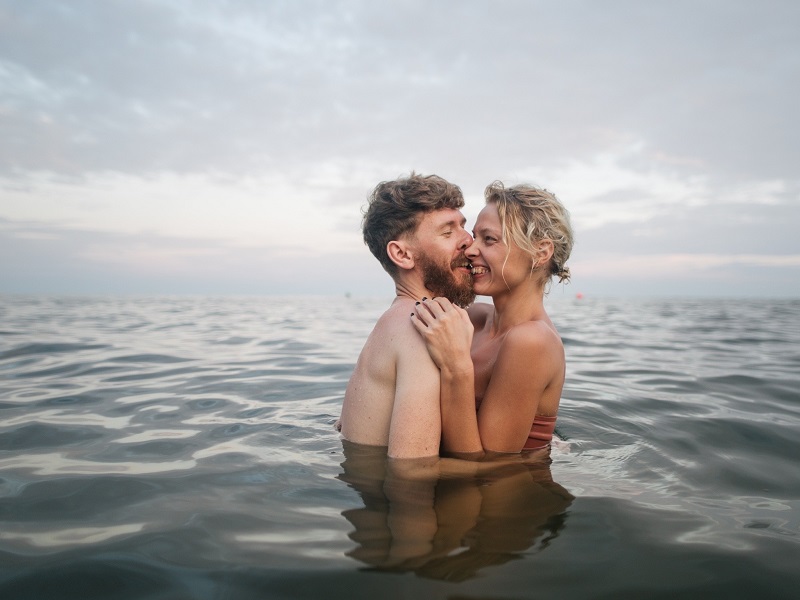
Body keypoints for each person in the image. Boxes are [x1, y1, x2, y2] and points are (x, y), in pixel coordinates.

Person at [412, 181, 573, 459]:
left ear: (540, 252)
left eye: (489, 239)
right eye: (474, 237)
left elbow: (487, 465)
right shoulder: (472, 319)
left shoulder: (532, 341)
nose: (471, 250)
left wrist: (456, 368)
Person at [338, 173, 475, 459]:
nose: (469, 242)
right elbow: (412, 477)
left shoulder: (398, 319)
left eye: (464, 227)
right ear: (402, 254)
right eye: (448, 232)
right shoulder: (421, 328)